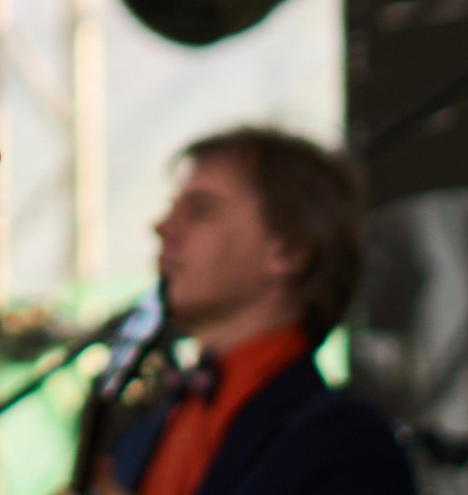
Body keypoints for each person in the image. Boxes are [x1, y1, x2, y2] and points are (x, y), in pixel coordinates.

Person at [101, 128, 413, 495]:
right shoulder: (144, 433)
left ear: (289, 251)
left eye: (200, 210)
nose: (163, 227)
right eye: (173, 209)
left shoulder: (345, 443)